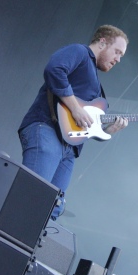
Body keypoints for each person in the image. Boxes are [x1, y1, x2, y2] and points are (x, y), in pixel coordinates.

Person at [18, 24, 129, 218]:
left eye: (121, 55)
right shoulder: (80, 51)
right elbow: (54, 69)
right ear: (102, 43)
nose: (118, 59)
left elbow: (86, 126)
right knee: (32, 195)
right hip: (47, 129)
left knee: (52, 209)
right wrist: (75, 108)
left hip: (69, 149)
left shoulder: (96, 85)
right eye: (117, 52)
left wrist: (108, 131)